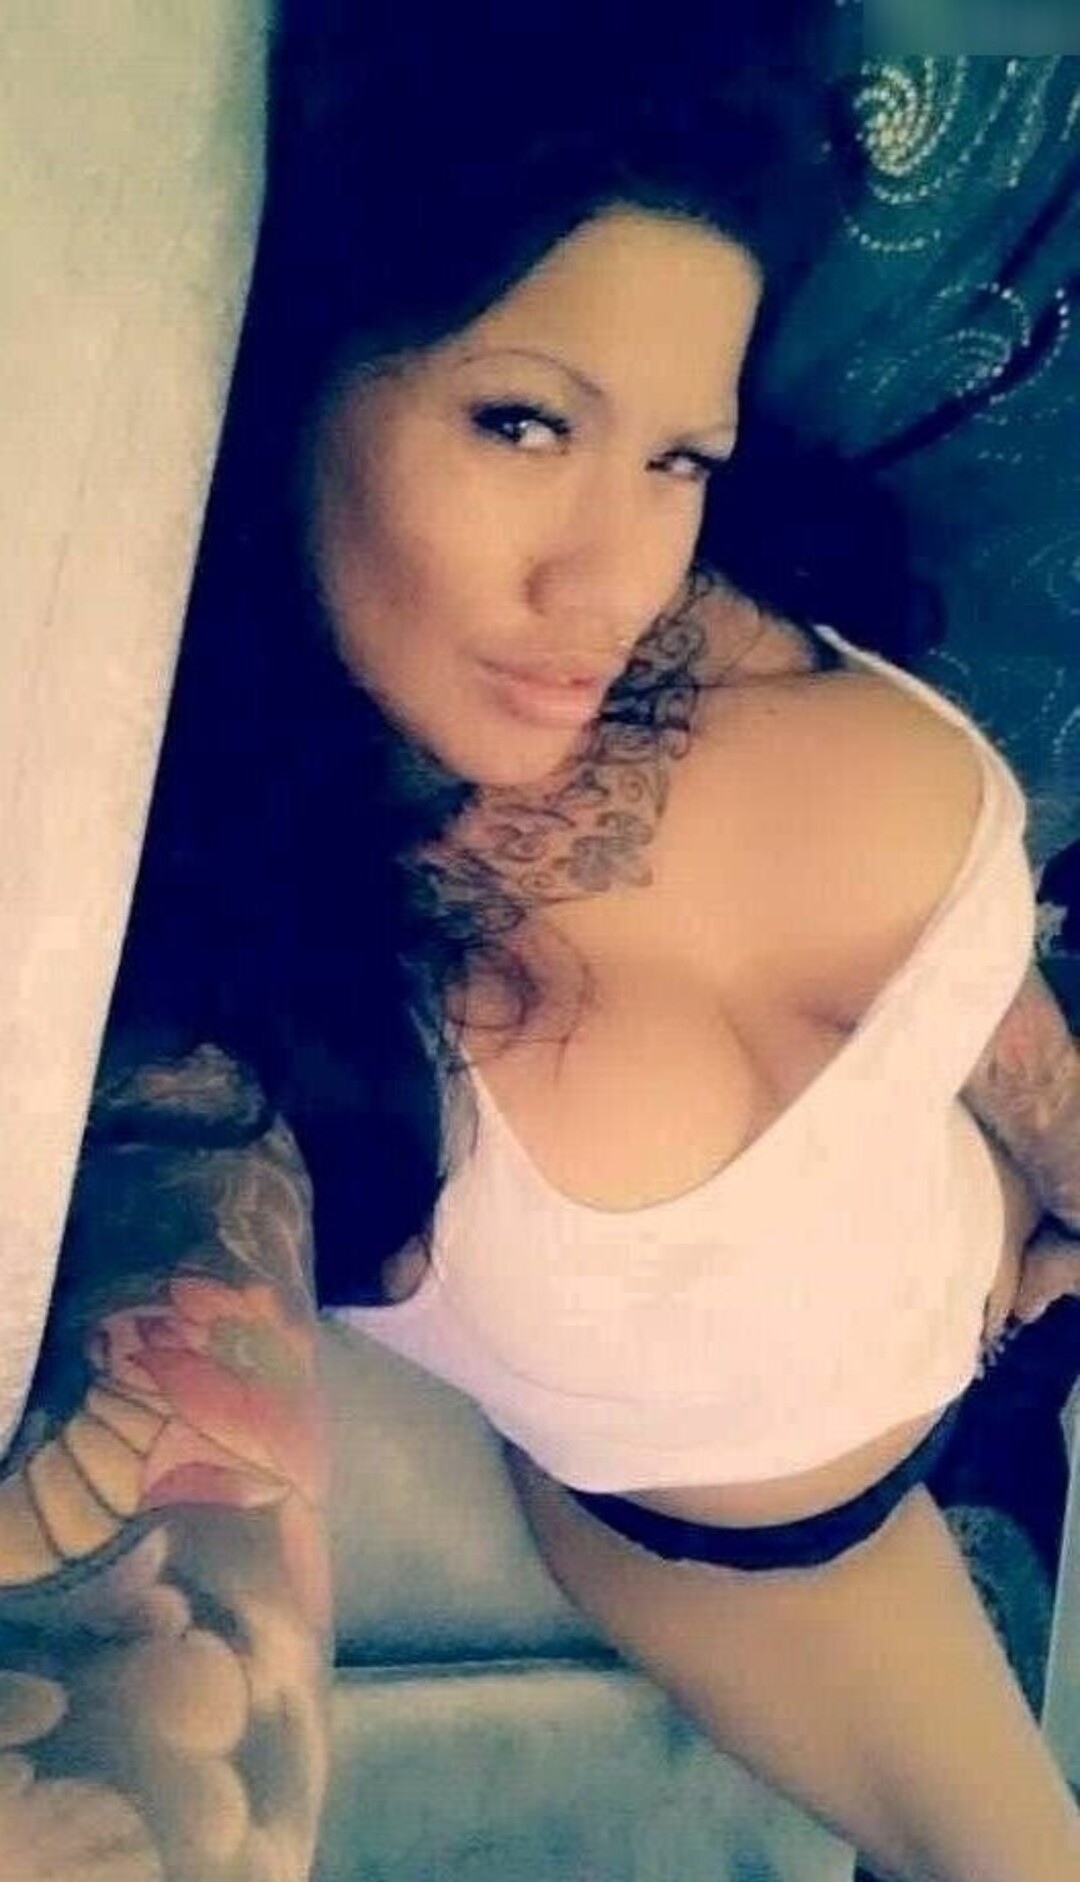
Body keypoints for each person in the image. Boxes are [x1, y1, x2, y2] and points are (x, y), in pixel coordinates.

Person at [8, 18, 1080, 1881]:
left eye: (677, 454)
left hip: (1017, 1267)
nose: (611, 584)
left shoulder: (691, 613)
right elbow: (153, 1660)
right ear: (301, 365)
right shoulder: (227, 972)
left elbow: (969, 999)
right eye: (521, 422)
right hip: (790, 1555)